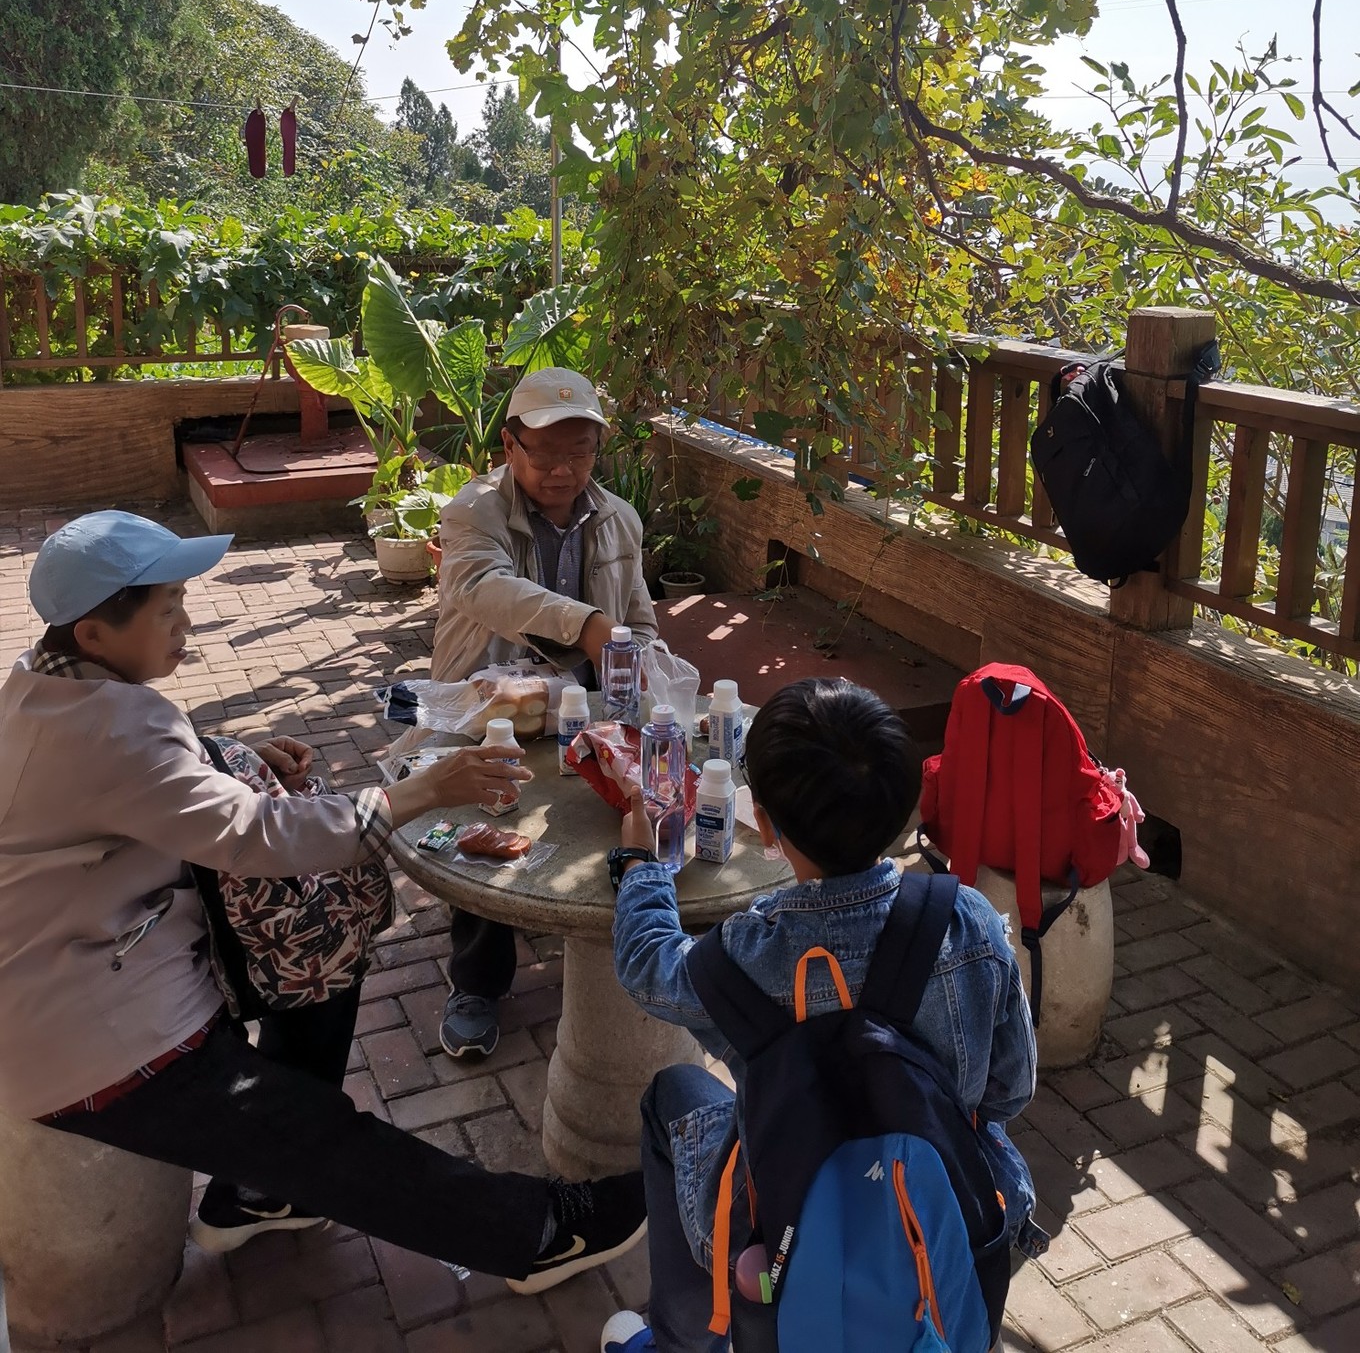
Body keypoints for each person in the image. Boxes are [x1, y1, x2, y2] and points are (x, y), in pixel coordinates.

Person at [0, 511, 644, 1291]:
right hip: (93, 1031)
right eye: (167, 609)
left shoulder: (44, 682)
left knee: (322, 943)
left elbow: (138, 780)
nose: (185, 623)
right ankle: (536, 1232)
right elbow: (257, 834)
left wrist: (223, 758)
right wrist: (421, 790)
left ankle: (261, 1190)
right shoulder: (108, 731)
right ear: (96, 632)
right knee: (324, 1139)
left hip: (118, 957)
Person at [601, 677, 1045, 1353]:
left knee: (674, 1095)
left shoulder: (747, 953)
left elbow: (645, 961)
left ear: (766, 825)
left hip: (781, 1232)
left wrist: (642, 864)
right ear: (902, 808)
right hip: (947, 1215)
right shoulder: (968, 921)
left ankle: (682, 1339)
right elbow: (1009, 1091)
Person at [424, 366, 657, 1061]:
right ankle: (476, 981)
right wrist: (586, 623)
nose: (563, 470)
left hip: (585, 704)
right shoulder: (475, 510)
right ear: (509, 445)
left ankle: (599, 938)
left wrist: (640, 662)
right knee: (487, 821)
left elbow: (639, 619)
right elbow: (484, 586)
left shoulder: (618, 518)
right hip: (491, 703)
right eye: (546, 453)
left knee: (597, 815)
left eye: (580, 453)